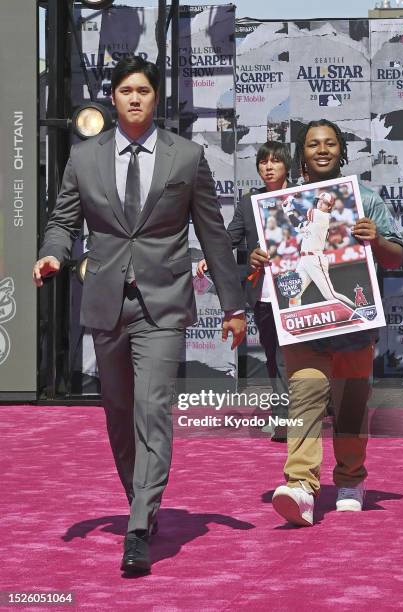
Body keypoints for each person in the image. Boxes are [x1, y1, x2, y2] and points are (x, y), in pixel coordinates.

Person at [32, 56, 246, 572]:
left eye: (143, 91)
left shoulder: (187, 156)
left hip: (164, 302)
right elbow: (62, 219)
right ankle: (141, 501)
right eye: (125, 89)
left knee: (152, 409)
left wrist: (234, 306)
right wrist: (53, 252)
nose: (134, 98)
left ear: (156, 98)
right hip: (107, 300)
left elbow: (213, 237)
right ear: (113, 97)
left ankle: (137, 528)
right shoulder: (83, 157)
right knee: (119, 412)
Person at [250, 119, 403, 526]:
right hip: (303, 326)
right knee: (305, 399)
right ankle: (301, 486)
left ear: (341, 150)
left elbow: (396, 257)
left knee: (351, 406)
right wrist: (259, 258)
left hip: (355, 329)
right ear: (301, 152)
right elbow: (272, 255)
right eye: (314, 144)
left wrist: (377, 240)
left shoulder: (364, 198)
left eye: (330, 143)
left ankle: (351, 480)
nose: (322, 149)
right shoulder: (279, 205)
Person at [197, 141, 293, 441]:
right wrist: (210, 257)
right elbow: (229, 239)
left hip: (300, 293)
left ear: (286, 166)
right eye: (263, 162)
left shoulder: (302, 198)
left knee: (292, 358)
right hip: (264, 295)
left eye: (275, 161)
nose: (268, 166)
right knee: (273, 356)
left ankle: (296, 415)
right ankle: (282, 417)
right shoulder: (249, 203)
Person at [282, 191, 356, 308]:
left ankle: (357, 310)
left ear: (329, 207)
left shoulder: (323, 216)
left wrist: (292, 200)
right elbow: (298, 225)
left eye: (325, 203)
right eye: (320, 201)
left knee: (331, 295)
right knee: (294, 293)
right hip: (304, 260)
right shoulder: (312, 220)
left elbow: (304, 209)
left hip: (315, 259)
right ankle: (298, 323)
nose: (321, 203)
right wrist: (289, 212)